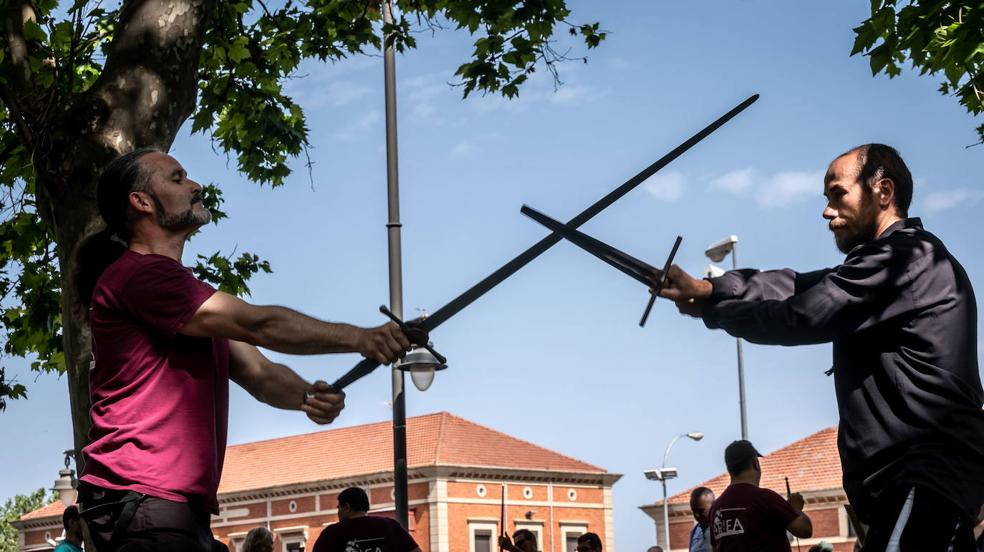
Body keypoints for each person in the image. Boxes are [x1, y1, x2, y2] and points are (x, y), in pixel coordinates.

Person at [74, 149, 425, 552]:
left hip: (167, 505)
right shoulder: (141, 275)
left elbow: (258, 373)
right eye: (177, 178)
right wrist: (361, 337)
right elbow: (257, 323)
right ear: (142, 202)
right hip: (142, 499)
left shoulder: (184, 295)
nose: (195, 185)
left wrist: (307, 397)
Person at [660, 144, 984, 550]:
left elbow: (804, 314)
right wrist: (710, 289)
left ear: (883, 192)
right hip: (903, 487)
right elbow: (790, 284)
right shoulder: (880, 265)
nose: (827, 212)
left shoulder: (909, 258)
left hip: (924, 476)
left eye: (838, 194)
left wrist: (715, 312)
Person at [708, 440, 812, 551]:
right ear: (755, 463)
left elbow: (715, 549)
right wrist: (795, 508)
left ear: (729, 469)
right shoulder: (765, 498)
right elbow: (805, 530)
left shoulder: (715, 507)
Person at [311, 487, 421, 552]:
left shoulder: (332, 533)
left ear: (347, 507)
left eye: (339, 508)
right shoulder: (390, 525)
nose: (338, 512)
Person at [688, 487, 714, 552]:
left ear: (713, 506)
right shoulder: (694, 531)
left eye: (700, 510)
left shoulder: (720, 528)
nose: (697, 515)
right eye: (694, 511)